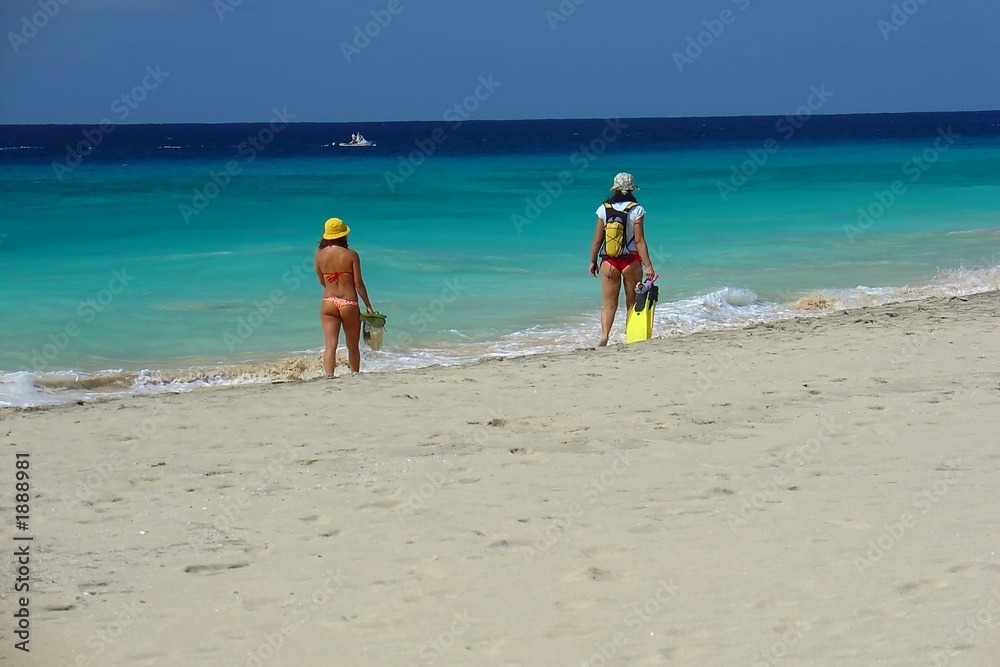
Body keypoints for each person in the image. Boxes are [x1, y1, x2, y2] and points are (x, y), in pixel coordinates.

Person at [588, 172, 656, 346]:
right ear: (632, 188)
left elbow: (597, 239)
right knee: (632, 302)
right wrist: (648, 265)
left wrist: (592, 261)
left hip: (609, 262)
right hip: (631, 262)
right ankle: (630, 337)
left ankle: (604, 335)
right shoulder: (637, 209)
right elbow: (640, 241)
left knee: (609, 304)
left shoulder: (603, 209)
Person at [314, 218, 374, 376]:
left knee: (330, 344)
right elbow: (358, 283)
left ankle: (329, 377)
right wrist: (368, 305)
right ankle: (354, 374)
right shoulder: (351, 255)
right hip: (349, 303)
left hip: (328, 302)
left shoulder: (319, 255)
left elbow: (322, 282)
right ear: (343, 235)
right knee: (352, 345)